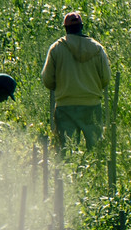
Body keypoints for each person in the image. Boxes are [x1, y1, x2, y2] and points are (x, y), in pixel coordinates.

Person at [42, 10, 112, 148]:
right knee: (95, 148)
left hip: (65, 106)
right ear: (81, 26)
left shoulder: (56, 48)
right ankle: (94, 169)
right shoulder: (97, 48)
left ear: (65, 28)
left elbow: (48, 80)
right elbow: (106, 78)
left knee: (66, 149)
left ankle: (66, 170)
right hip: (91, 105)